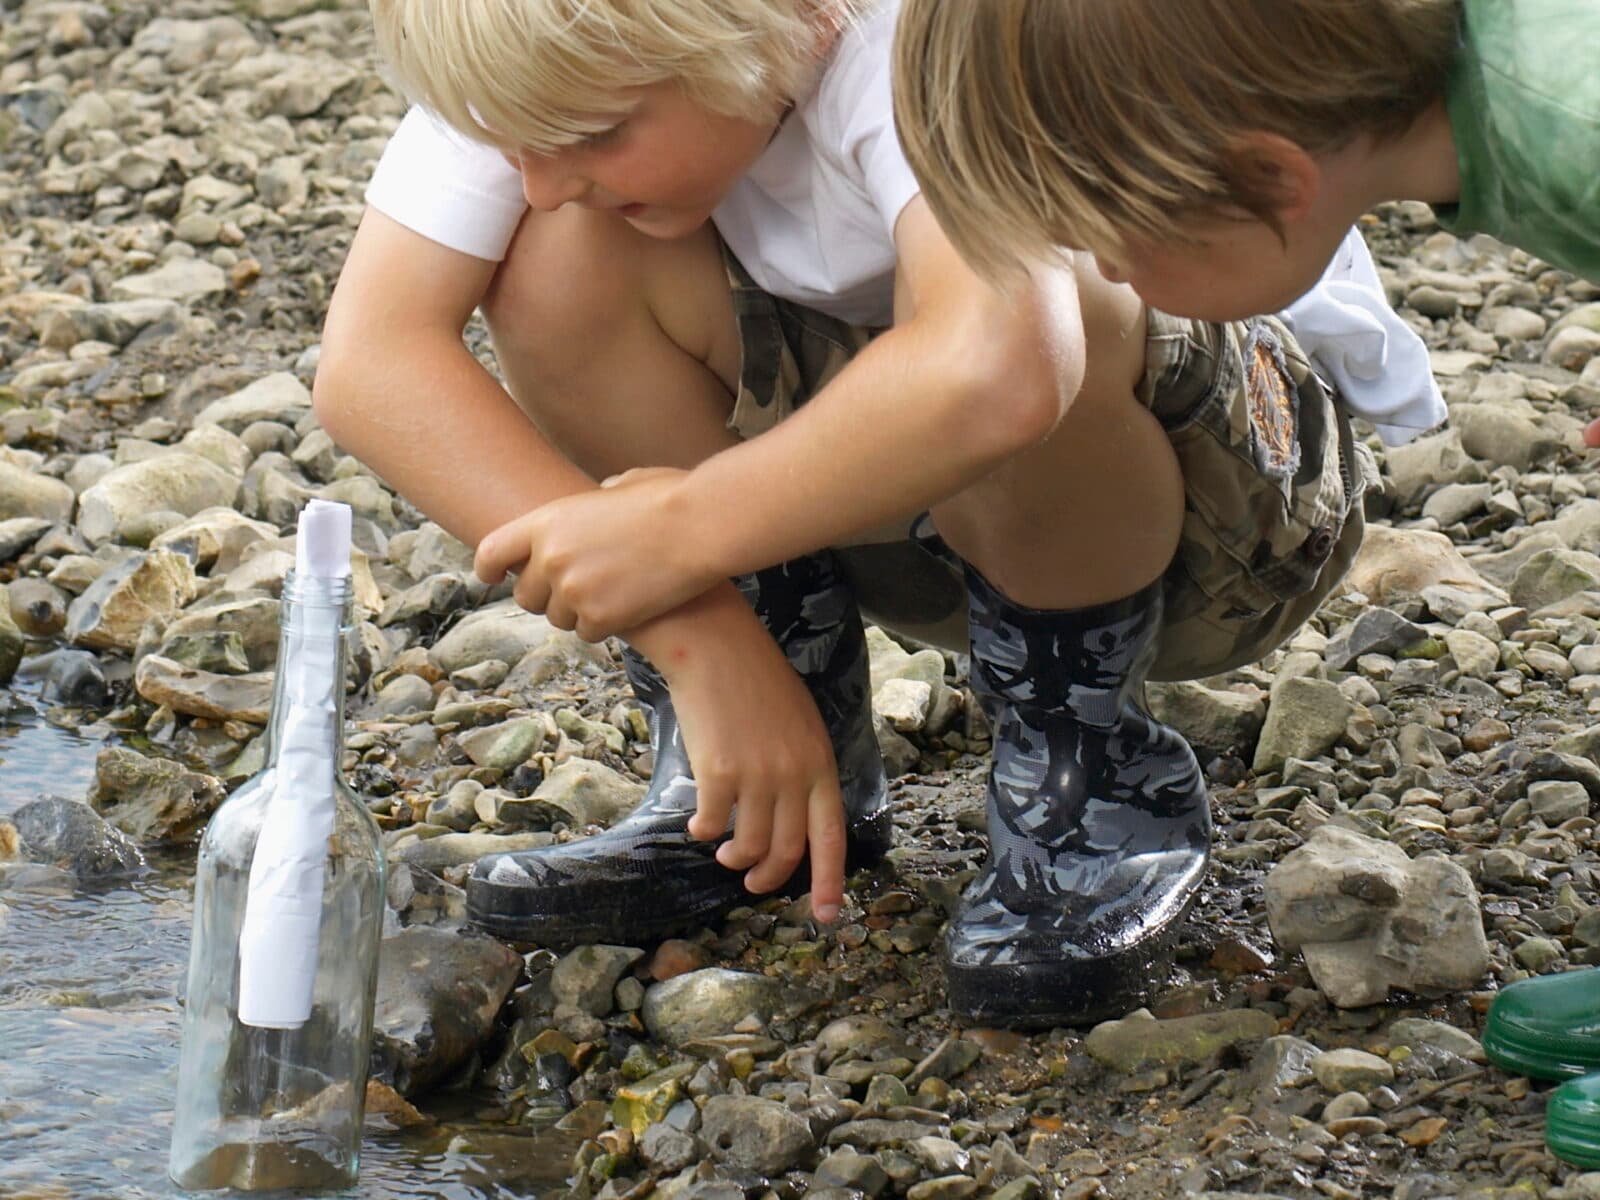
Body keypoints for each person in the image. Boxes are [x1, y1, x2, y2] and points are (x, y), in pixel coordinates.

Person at [316, 0, 1434, 1026]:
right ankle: (764, 775)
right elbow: (371, 365)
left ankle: (1086, 777)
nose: (546, 173)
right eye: (521, 144)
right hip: (882, 525)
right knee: (556, 257)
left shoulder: (911, 36)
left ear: (782, 25)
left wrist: (675, 531)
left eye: (597, 137)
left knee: (1037, 301)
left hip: (1219, 524)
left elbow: (1002, 370)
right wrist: (707, 642)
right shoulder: (543, 67)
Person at [890, 0, 1600, 1131]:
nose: (1103, 271)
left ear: (1269, 180)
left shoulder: (1568, 115)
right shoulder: (1477, 112)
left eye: (1106, 236)